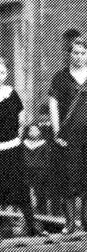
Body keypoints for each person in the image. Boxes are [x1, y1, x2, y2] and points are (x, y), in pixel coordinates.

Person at [49, 37, 87, 234]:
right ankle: (70, 223)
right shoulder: (60, 77)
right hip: (69, 135)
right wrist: (57, 132)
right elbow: (53, 105)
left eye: (83, 53)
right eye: (75, 52)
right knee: (69, 174)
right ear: (70, 54)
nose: (79, 56)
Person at [0, 61, 42, 237]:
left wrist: (14, 138)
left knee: (20, 187)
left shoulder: (12, 93)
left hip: (12, 149)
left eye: (2, 72)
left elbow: (21, 119)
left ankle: (31, 226)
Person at [22, 123, 51, 217]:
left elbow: (47, 159)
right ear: (28, 132)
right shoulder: (23, 144)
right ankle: (28, 212)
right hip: (26, 170)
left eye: (36, 130)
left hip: (40, 171)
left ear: (40, 132)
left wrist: (46, 170)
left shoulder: (44, 144)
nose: (33, 132)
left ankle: (42, 213)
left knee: (40, 192)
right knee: (26, 192)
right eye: (31, 130)